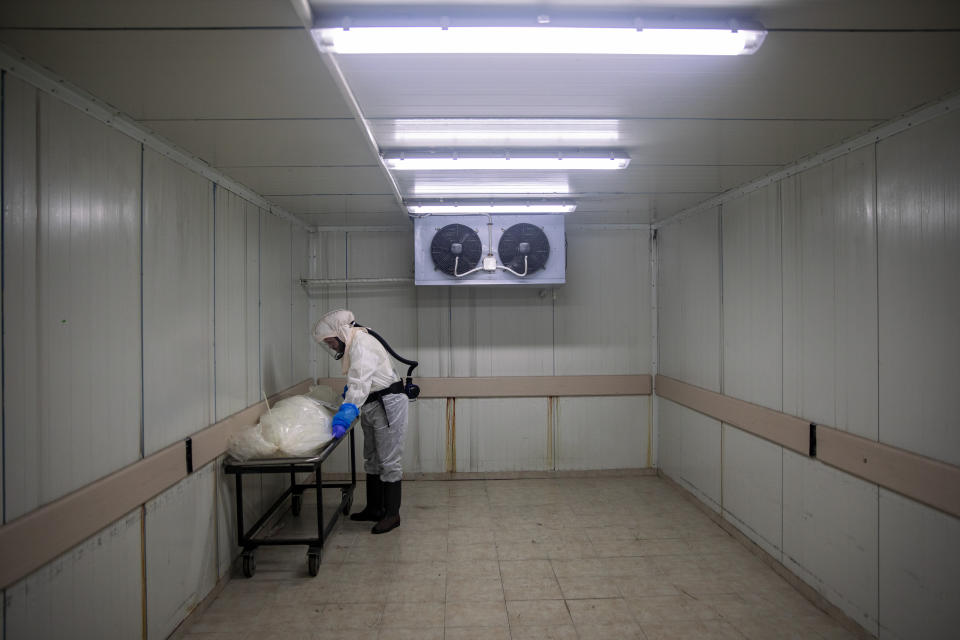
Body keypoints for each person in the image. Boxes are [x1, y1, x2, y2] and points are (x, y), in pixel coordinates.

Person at [312, 309, 408, 534]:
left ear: (340, 333)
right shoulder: (355, 342)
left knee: (389, 460)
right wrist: (350, 398)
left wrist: (346, 412)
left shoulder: (361, 343)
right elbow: (361, 380)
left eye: (330, 342)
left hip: (388, 405)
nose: (331, 347)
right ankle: (375, 508)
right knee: (373, 458)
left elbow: (360, 383)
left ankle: (392, 514)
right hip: (372, 404)